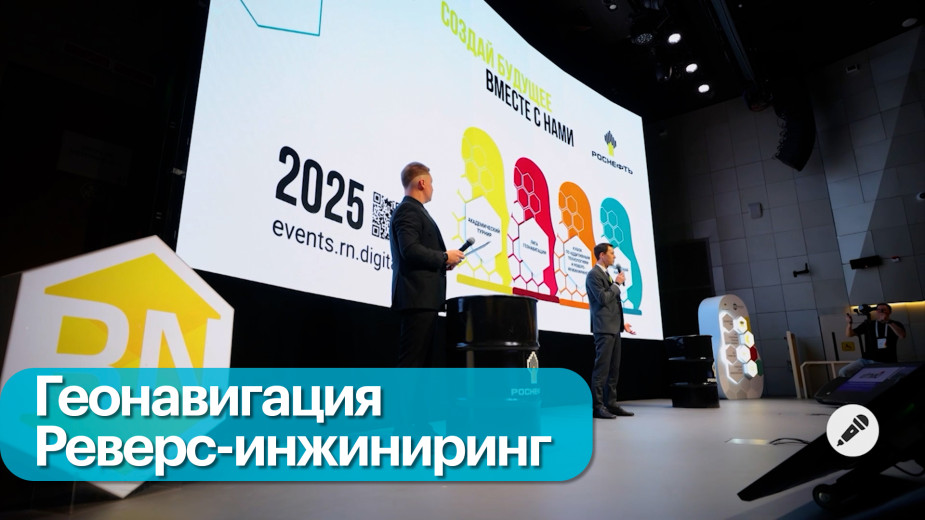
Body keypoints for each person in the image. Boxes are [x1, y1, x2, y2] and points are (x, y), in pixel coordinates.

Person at [389, 161, 465, 367]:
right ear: (422, 183)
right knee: (412, 364)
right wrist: (444, 257)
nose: (433, 188)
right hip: (417, 300)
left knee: (420, 365)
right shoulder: (408, 210)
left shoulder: (415, 211)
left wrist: (443, 262)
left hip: (424, 301)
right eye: (431, 183)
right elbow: (410, 250)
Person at [586, 242, 636, 419]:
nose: (614, 256)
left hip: (614, 327)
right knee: (602, 369)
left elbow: (612, 304)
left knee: (614, 369)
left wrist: (622, 323)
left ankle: (612, 404)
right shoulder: (593, 275)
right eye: (611, 253)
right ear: (602, 255)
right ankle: (598, 407)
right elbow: (603, 299)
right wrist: (616, 284)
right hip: (603, 328)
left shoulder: (606, 274)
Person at [839, 303, 906, 378]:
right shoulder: (869, 324)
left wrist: (888, 321)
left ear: (889, 312)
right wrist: (849, 323)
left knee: (882, 379)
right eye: (878, 310)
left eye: (883, 310)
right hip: (867, 360)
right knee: (844, 372)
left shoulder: (895, 324)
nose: (880, 311)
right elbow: (849, 334)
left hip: (886, 361)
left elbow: (902, 335)